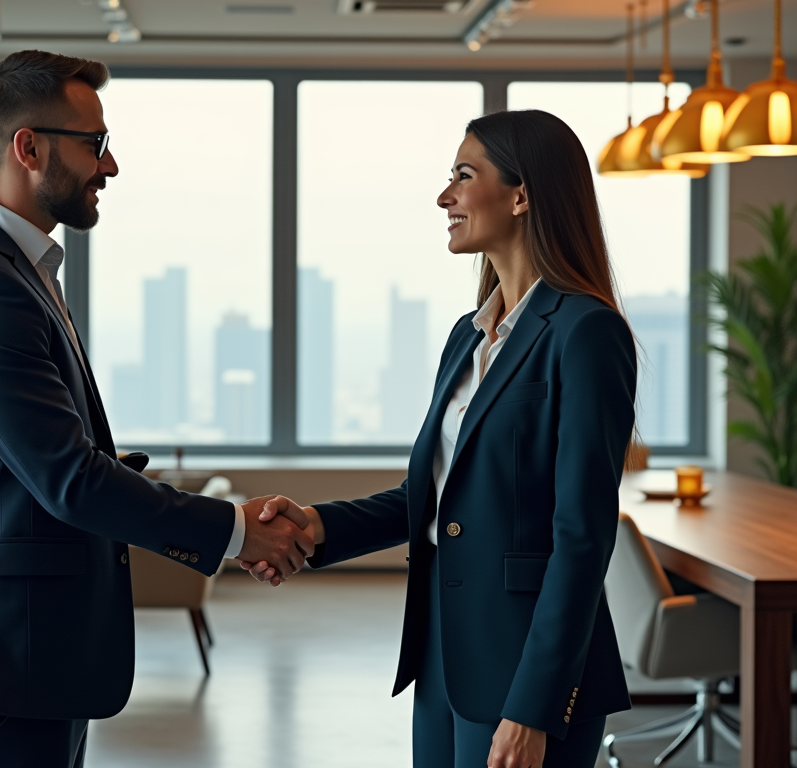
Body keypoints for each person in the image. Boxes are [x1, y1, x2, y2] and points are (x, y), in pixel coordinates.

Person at [0, 50, 313, 768]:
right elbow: (68, 481)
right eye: (95, 145)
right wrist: (238, 530)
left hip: (26, 664)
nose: (110, 167)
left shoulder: (14, 273)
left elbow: (35, 468)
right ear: (29, 146)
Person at [247, 110, 638, 767]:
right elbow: (435, 498)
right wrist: (315, 525)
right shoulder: (469, 334)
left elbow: (581, 538)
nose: (444, 196)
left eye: (463, 175)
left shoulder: (585, 332)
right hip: (444, 658)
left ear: (522, 195)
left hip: (526, 673)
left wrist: (532, 706)